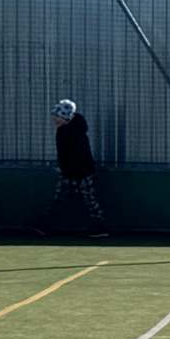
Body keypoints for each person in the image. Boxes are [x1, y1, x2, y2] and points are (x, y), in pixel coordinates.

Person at [42, 98, 108, 237]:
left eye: (57, 117)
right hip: (72, 171)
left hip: (80, 172)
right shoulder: (66, 130)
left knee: (87, 199)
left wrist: (68, 170)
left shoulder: (71, 133)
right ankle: (46, 226)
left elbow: (74, 154)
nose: (55, 120)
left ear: (66, 117)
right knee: (63, 198)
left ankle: (100, 228)